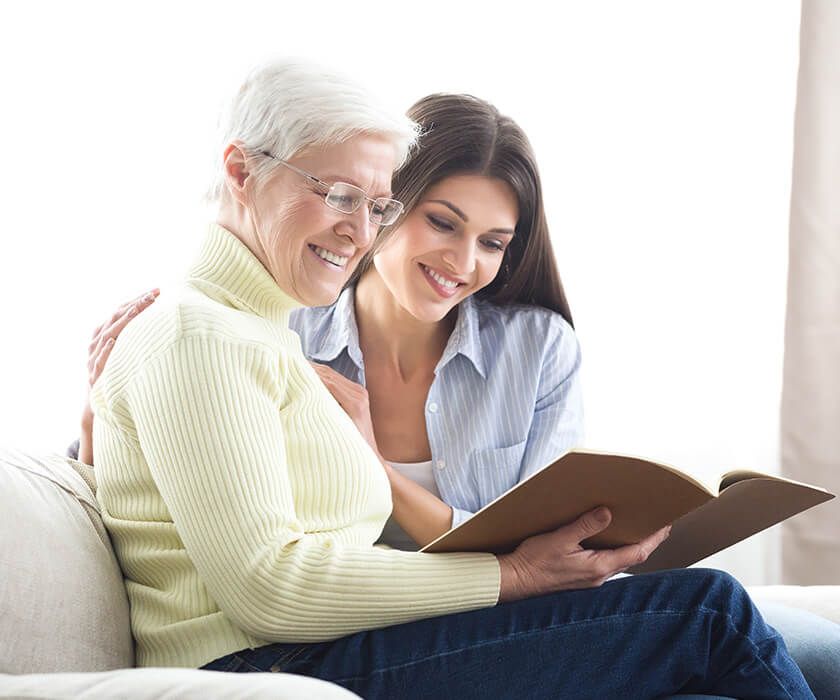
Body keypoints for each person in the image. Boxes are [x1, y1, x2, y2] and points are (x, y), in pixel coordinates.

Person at [82, 58, 814, 699]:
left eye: (373, 206)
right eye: (340, 196)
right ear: (241, 172)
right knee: (710, 612)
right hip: (265, 668)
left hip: (320, 650)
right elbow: (272, 587)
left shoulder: (255, 329)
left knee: (749, 644)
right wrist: (514, 577)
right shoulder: (205, 330)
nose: (358, 230)